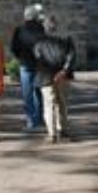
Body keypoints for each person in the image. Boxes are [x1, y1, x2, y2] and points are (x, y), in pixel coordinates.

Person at [32, 15, 76, 143]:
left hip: (46, 76)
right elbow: (71, 56)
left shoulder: (39, 42)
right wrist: (64, 70)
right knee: (62, 103)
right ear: (56, 25)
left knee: (49, 104)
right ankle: (63, 129)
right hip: (62, 75)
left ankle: (52, 133)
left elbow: (38, 58)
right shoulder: (66, 39)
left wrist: (51, 71)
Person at [10, 4, 45, 130]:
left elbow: (13, 48)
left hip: (25, 63)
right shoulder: (40, 28)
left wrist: (20, 57)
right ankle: (39, 119)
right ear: (35, 16)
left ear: (25, 16)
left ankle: (31, 121)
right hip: (38, 64)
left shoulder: (19, 29)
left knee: (27, 94)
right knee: (38, 92)